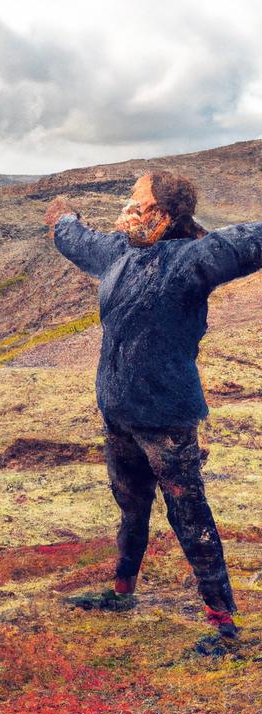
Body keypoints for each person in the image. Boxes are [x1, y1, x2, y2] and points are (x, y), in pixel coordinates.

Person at [44, 170, 262, 640]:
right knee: (130, 504)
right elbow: (78, 240)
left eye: (134, 201)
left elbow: (249, 240)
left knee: (189, 515)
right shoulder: (120, 254)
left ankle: (224, 626)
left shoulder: (193, 260)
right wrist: (62, 218)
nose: (125, 209)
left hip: (167, 417)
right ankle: (122, 592)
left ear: (162, 215)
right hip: (118, 411)